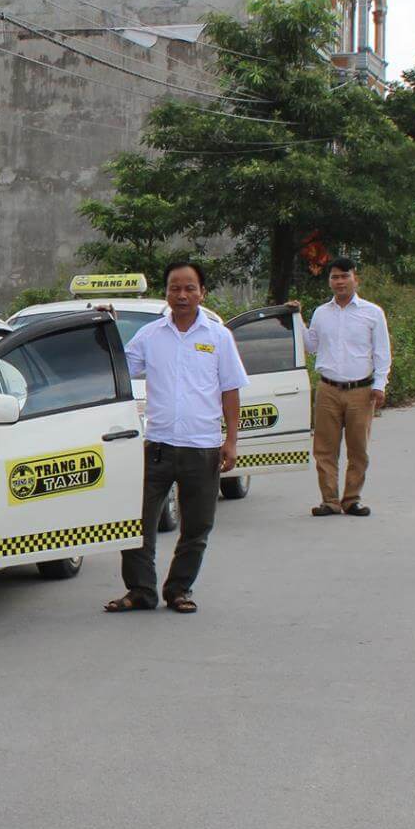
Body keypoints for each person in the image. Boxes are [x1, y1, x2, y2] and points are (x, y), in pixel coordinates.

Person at [104, 260, 248, 616]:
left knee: (197, 526)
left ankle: (179, 589)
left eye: (189, 288)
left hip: (202, 447)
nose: (181, 295)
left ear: (202, 292)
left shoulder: (217, 337)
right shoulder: (151, 336)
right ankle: (140, 590)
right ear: (165, 292)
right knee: (137, 521)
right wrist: (104, 328)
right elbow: (117, 365)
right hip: (157, 445)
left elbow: (230, 390)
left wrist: (231, 441)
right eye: (174, 288)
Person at [304, 256, 392, 518]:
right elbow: (311, 346)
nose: (339, 281)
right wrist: (295, 319)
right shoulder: (321, 313)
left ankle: (352, 499)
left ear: (356, 279)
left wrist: (380, 384)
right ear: (329, 281)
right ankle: (329, 501)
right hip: (328, 389)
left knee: (358, 449)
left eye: (345, 276)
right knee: (324, 449)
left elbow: (382, 352)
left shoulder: (372, 313)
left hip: (361, 391)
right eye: (334, 277)